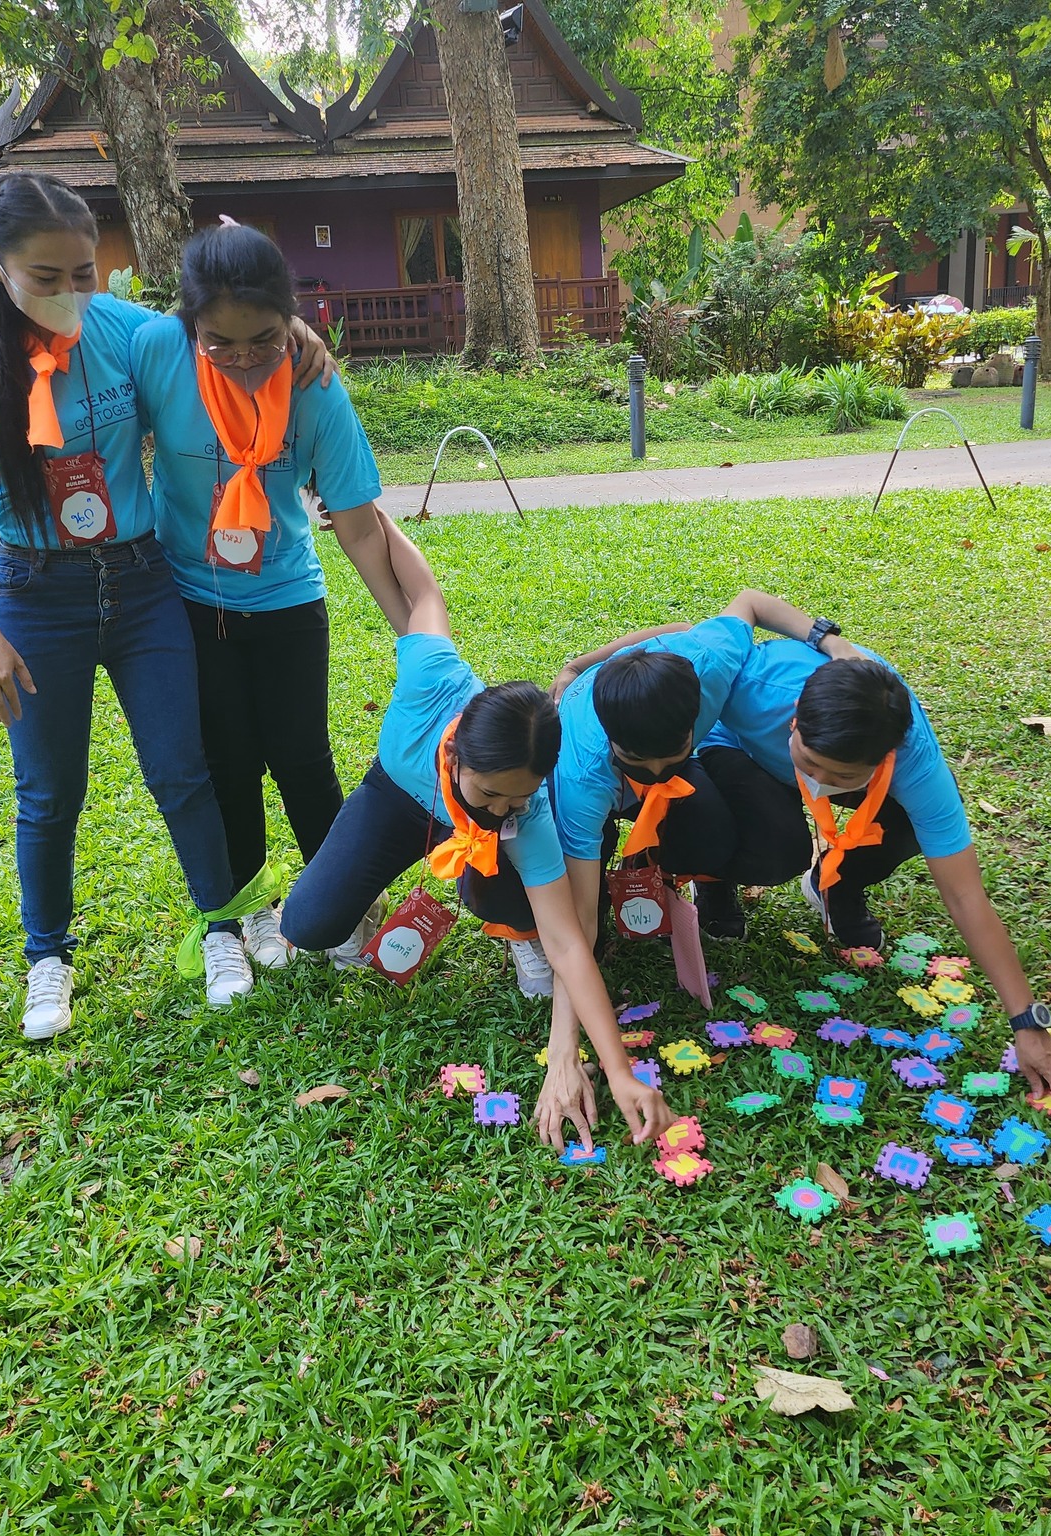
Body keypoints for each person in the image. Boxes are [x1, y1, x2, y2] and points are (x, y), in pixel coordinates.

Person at [0, 170, 337, 1039]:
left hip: (145, 583)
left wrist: (291, 327)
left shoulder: (125, 334)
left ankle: (220, 926)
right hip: (38, 593)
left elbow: (218, 333)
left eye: (84, 272)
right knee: (48, 791)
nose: (72, 293)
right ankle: (49, 960)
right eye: (47, 276)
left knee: (183, 771)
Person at [562, 598, 1051, 1116]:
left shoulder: (913, 758)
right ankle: (715, 878)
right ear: (793, 724)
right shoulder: (746, 684)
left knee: (907, 823)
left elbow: (965, 893)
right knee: (775, 847)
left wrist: (1028, 1021)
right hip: (739, 753)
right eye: (812, 763)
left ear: (884, 757)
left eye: (841, 778)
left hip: (852, 765)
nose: (821, 781)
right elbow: (694, 634)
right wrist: (580, 666)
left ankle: (839, 884)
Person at [278, 526, 672, 1152]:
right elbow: (421, 587)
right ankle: (365, 900)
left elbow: (571, 940)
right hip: (398, 800)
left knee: (532, 907)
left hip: (473, 842)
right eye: (491, 794)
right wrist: (371, 512)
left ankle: (513, 933)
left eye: (518, 798)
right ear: (458, 750)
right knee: (307, 927)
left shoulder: (527, 811)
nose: (502, 809)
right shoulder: (431, 676)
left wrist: (616, 1068)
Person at [132, 220, 412, 993]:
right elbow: (67, 336)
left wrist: (411, 635)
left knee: (301, 757)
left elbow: (356, 524)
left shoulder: (315, 385)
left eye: (264, 338)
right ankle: (252, 908)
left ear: (291, 321)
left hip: (287, 593)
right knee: (228, 762)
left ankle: (344, 905)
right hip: (192, 598)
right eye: (221, 342)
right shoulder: (158, 350)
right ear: (191, 324)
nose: (245, 358)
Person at [547, 589, 863, 946]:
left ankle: (686, 874)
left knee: (765, 848)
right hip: (594, 785)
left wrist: (834, 644)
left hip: (694, 761)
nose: (654, 769)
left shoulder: (708, 662)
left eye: (671, 756)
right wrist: (581, 953)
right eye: (637, 761)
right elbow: (580, 901)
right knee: (586, 904)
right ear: (611, 739)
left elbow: (748, 603)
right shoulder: (581, 774)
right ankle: (623, 886)